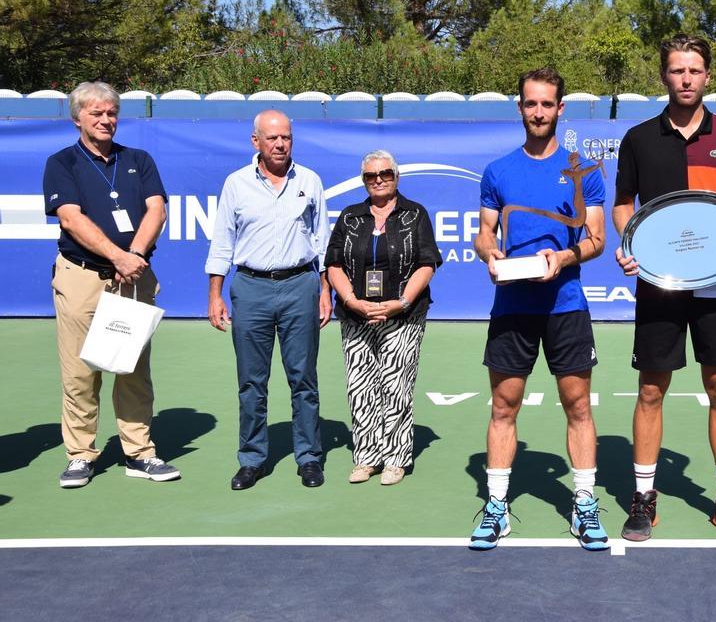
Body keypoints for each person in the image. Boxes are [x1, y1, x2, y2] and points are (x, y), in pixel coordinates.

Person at [612, 34, 716, 544]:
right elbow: (623, 204)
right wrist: (628, 243)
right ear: (664, 76)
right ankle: (644, 499)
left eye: (694, 70)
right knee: (651, 390)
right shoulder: (638, 138)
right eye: (677, 70)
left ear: (707, 76)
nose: (686, 79)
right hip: (659, 286)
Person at [468, 67, 609, 551]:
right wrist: (491, 253)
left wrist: (564, 257)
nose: (539, 112)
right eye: (531, 104)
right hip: (512, 306)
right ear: (520, 107)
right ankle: (497, 507)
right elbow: (483, 233)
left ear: (560, 109)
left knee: (577, 406)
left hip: (566, 305)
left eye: (547, 104)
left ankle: (584, 504)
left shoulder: (583, 170)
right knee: (504, 406)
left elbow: (596, 239)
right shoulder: (498, 172)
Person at [42, 81, 179, 488]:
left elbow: (157, 208)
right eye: (96, 113)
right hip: (82, 277)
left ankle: (138, 453)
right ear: (77, 118)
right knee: (81, 372)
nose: (106, 120)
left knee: (133, 368)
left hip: (134, 278)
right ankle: (81, 455)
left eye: (111, 113)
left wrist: (133, 255)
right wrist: (115, 256)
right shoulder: (62, 162)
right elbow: (70, 216)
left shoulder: (139, 158)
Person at [205, 110, 332, 490]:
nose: (280, 144)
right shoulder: (236, 184)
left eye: (286, 138)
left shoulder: (309, 180)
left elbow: (322, 242)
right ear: (255, 141)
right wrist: (215, 294)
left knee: (304, 379)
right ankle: (252, 459)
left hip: (300, 287)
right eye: (272, 138)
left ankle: (309, 457)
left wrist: (325, 290)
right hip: (250, 288)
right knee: (251, 382)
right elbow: (222, 241)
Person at [325, 150, 441, 486]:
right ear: (363, 180)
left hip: (403, 316)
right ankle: (366, 456)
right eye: (370, 175)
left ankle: (395, 458)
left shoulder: (414, 214)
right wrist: (351, 300)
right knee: (361, 387)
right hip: (356, 316)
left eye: (385, 173)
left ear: (396, 176)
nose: (378, 180)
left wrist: (401, 302)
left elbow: (427, 263)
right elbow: (333, 264)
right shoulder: (350, 217)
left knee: (396, 386)